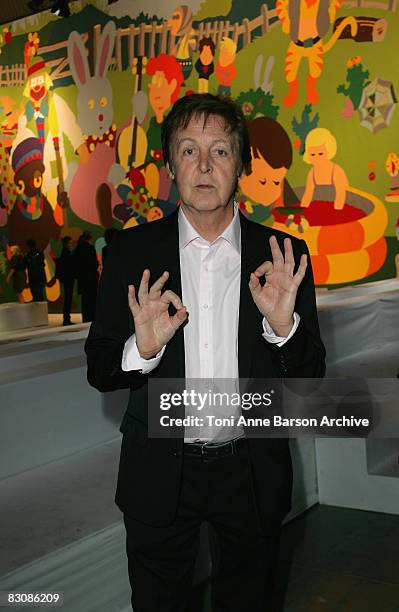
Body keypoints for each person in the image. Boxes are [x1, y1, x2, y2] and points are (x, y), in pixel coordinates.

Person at [85, 93, 326, 611]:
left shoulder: (282, 256)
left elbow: (310, 378)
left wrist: (283, 327)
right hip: (160, 470)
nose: (204, 165)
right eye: (189, 150)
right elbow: (100, 368)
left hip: (251, 470)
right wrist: (140, 350)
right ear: (170, 163)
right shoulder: (129, 253)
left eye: (220, 151)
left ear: (241, 164)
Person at [301, 127, 349, 210]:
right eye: (312, 154)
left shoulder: (336, 171)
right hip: (321, 206)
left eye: (320, 153)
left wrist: (337, 212)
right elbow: (308, 194)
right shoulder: (312, 173)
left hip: (338, 206)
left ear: (329, 151)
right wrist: (302, 210)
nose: (316, 158)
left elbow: (341, 194)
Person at [74, 231, 98, 323]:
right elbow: (94, 263)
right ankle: (91, 317)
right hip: (91, 278)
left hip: (82, 279)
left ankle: (86, 317)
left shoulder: (78, 248)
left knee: (85, 299)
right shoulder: (90, 248)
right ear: (89, 238)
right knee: (91, 299)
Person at [56, 235, 76, 326]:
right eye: (71, 242)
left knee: (68, 298)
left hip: (66, 278)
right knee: (68, 298)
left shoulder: (64, 252)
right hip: (68, 278)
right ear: (67, 243)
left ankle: (67, 318)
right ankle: (66, 319)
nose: (72, 244)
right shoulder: (66, 253)